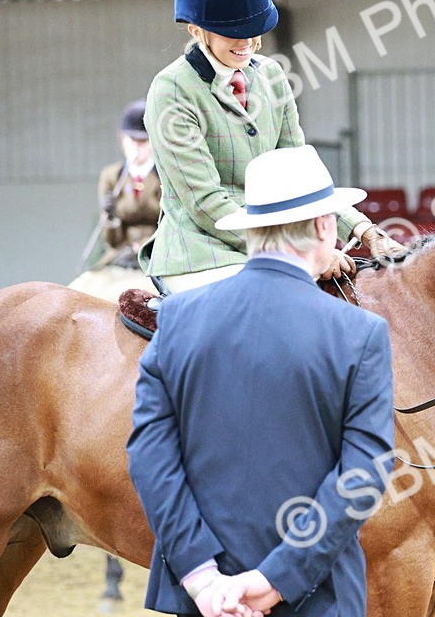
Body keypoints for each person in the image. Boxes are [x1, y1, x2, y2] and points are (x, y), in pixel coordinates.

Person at [127, 144, 395, 617]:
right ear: (324, 226)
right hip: (317, 596)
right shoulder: (360, 333)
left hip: (206, 601)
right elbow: (363, 475)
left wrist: (202, 577)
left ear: (251, 230)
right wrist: (278, 577)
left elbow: (150, 457)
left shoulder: (177, 319)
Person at [139, 0, 402, 294]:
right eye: (234, 33)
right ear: (197, 31)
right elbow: (204, 201)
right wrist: (298, 253)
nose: (248, 43)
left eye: (254, 30)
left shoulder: (272, 76)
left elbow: (302, 179)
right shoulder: (172, 90)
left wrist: (365, 231)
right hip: (202, 251)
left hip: (275, 245)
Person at [69, 100, 161, 303]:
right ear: (122, 140)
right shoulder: (112, 176)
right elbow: (110, 239)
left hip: (155, 256)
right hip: (120, 256)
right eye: (132, 140)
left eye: (143, 141)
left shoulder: (165, 176)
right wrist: (111, 217)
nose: (137, 147)